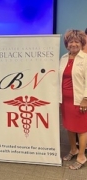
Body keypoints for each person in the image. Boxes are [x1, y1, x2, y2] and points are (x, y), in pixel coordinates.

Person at [59, 30, 87, 170]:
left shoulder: (85, 59)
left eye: (77, 41)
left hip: (79, 100)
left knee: (81, 129)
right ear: (67, 44)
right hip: (65, 100)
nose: (74, 44)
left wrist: (85, 99)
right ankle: (73, 150)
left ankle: (81, 156)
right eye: (71, 41)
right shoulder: (63, 58)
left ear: (82, 43)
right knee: (69, 127)